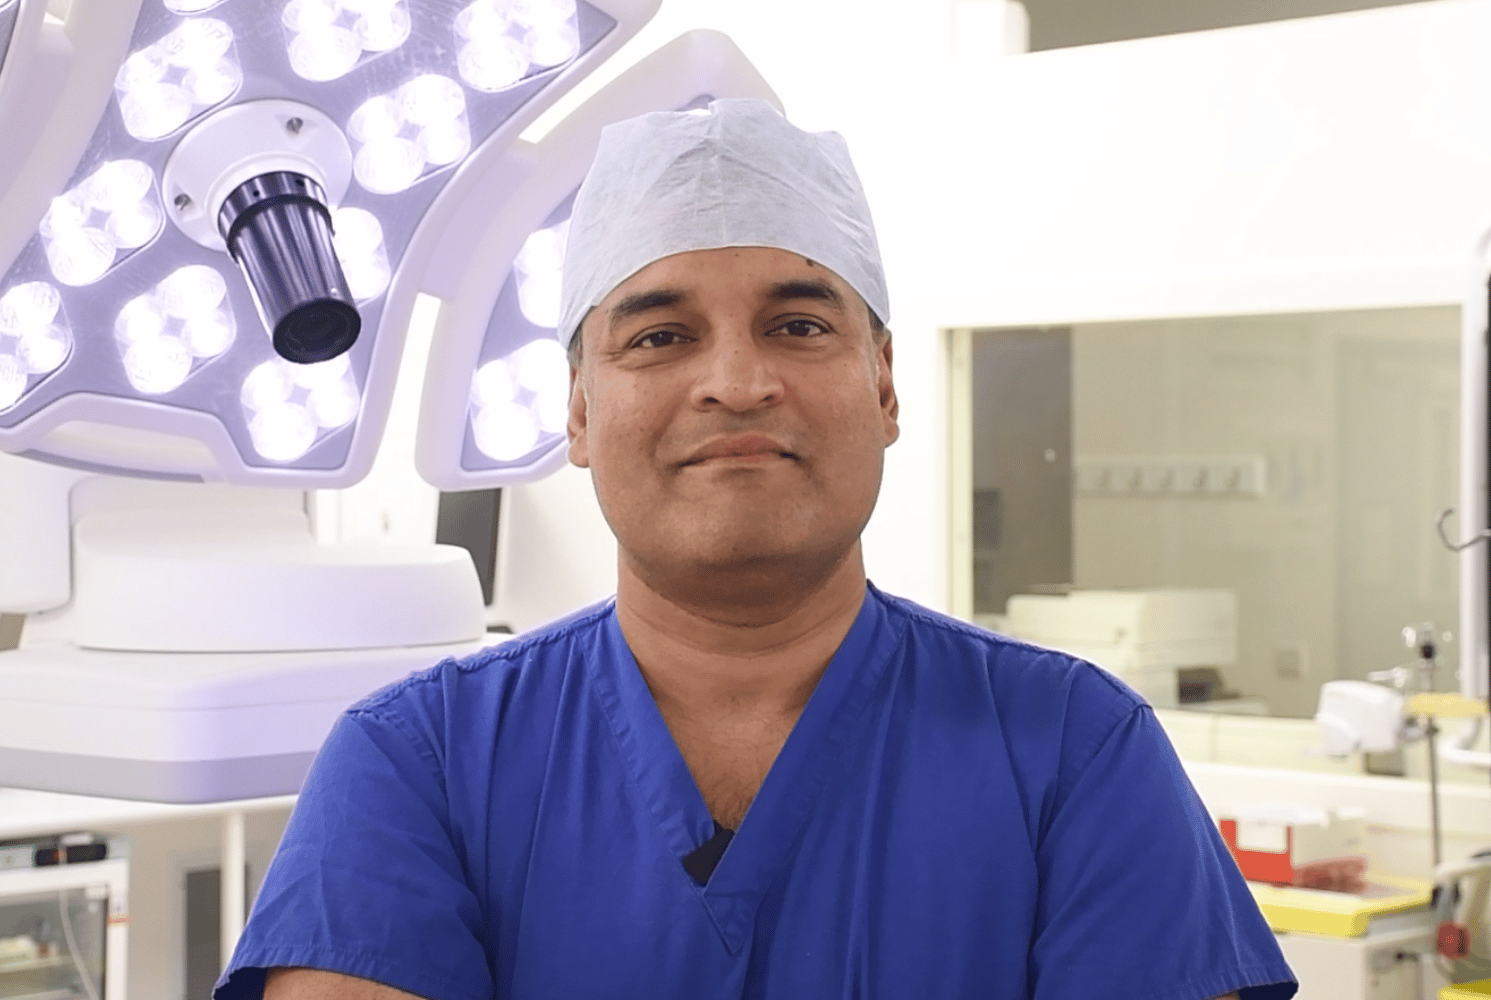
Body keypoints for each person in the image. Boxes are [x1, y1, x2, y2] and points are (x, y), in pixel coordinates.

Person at [215, 99, 1297, 1000]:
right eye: (659, 335)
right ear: (579, 412)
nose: (736, 380)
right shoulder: (420, 764)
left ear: (882, 384)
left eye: (798, 324)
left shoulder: (1074, 752)